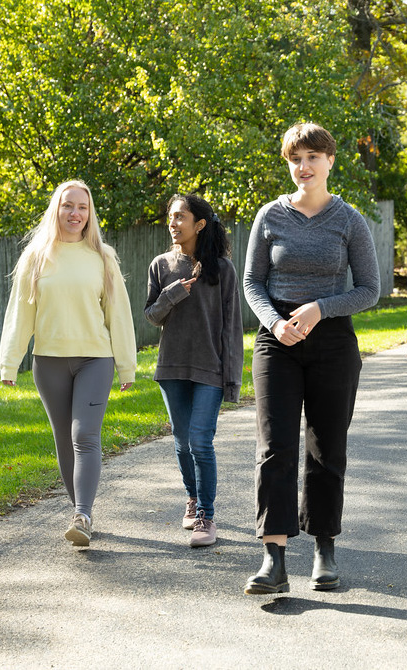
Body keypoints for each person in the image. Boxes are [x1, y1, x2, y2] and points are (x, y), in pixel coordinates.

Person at [242, 122, 380, 594]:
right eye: (295, 159)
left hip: (333, 341)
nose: (303, 167)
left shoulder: (349, 219)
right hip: (276, 341)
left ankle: (325, 549)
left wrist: (322, 308)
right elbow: (252, 282)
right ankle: (273, 558)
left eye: (312, 158)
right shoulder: (270, 217)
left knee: (326, 448)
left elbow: (370, 290)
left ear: (330, 161)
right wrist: (274, 322)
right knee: (274, 447)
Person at [0, 179, 136, 547]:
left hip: (95, 358)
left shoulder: (103, 256)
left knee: (84, 435)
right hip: (49, 362)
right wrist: (9, 363)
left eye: (82, 207)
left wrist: (126, 365)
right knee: (63, 439)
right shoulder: (36, 257)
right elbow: (20, 313)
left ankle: (83, 513)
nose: (75, 213)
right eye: (68, 206)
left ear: (90, 214)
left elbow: (118, 314)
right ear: (56, 210)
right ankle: (81, 512)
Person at [145, 194, 243, 548]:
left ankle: (206, 514)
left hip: (210, 370)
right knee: (183, 443)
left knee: (201, 442)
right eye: (170, 217)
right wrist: (171, 294)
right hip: (171, 368)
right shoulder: (161, 265)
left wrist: (233, 379)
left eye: (180, 217)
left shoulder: (223, 269)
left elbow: (231, 329)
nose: (173, 223)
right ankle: (191, 496)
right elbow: (152, 317)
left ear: (199, 224)